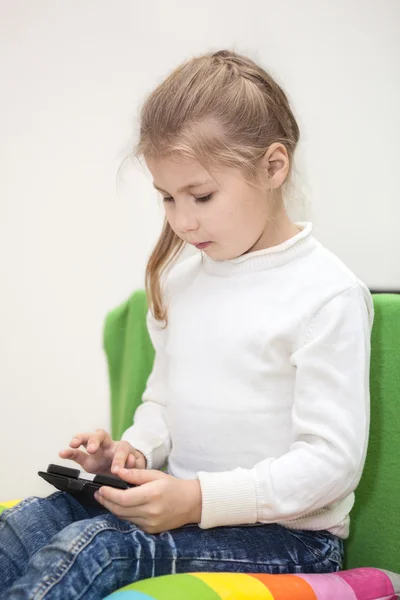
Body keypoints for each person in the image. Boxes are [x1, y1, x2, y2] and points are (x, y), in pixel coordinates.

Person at [0, 49, 374, 599]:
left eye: (201, 195)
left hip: (286, 537)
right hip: (183, 506)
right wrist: (132, 452)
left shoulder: (327, 295)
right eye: (168, 198)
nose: (182, 219)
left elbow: (330, 464)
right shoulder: (181, 283)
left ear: (273, 166)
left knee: (95, 549)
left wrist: (198, 498)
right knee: (21, 527)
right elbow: (163, 403)